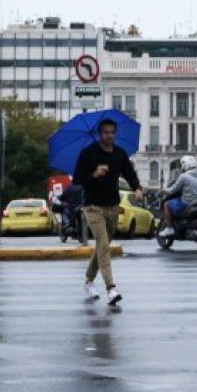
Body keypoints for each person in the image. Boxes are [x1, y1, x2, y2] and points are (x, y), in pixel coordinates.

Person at [73, 118, 142, 305]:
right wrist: (94, 174)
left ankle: (89, 280)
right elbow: (77, 179)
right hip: (93, 206)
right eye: (105, 132)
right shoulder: (89, 153)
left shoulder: (119, 153)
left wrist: (137, 188)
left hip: (112, 206)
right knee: (103, 246)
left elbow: (129, 173)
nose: (109, 136)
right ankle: (111, 288)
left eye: (112, 132)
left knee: (102, 246)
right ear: (99, 134)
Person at [162, 156, 197, 230]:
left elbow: (172, 190)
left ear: (184, 164)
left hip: (188, 203)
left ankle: (169, 228)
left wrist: (164, 190)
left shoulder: (184, 176)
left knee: (166, 204)